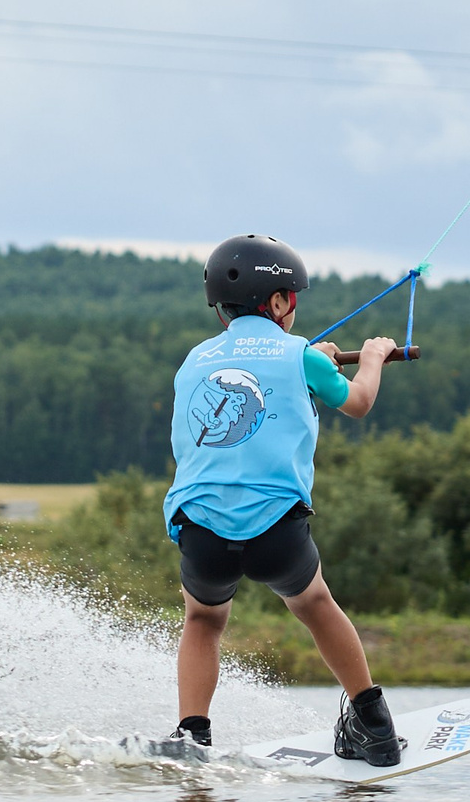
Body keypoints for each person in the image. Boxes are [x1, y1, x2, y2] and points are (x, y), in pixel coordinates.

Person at [166, 235, 402, 763]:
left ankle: (192, 736)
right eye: (292, 297)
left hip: (201, 529)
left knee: (203, 621)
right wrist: (372, 357)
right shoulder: (300, 356)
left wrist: (309, 362)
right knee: (315, 604)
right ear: (277, 303)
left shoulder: (193, 360)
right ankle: (374, 724)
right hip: (277, 530)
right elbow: (359, 402)